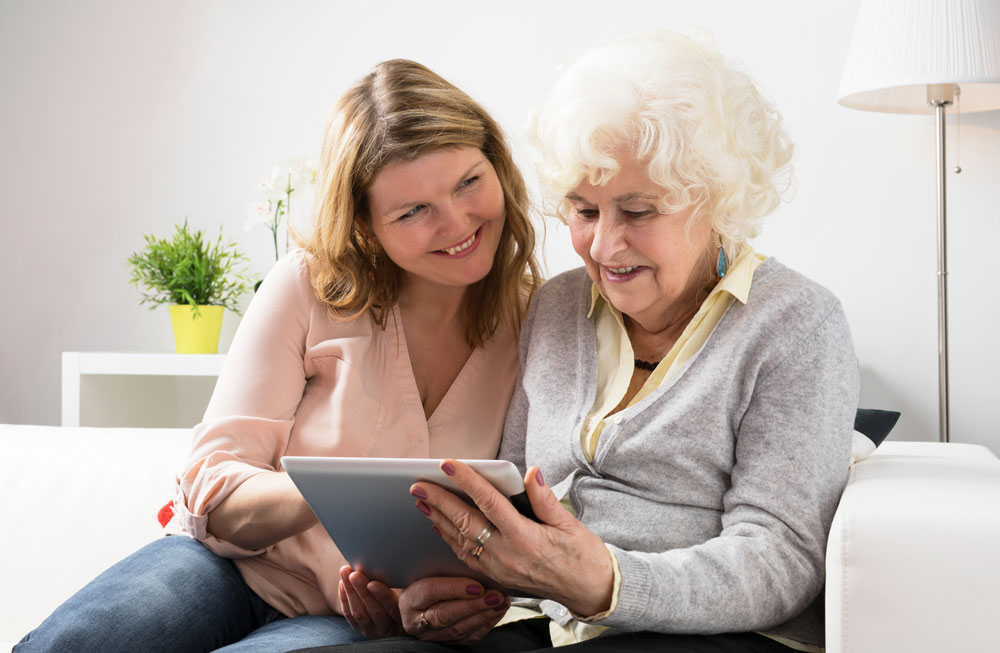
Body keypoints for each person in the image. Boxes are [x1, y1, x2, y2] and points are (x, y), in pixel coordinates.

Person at [324, 31, 859, 653]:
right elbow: (517, 502)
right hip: (541, 626)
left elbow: (781, 560)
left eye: (637, 212)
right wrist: (463, 595)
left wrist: (607, 582)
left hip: (712, 633)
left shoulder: (797, 324)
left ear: (716, 200)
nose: (603, 248)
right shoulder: (555, 306)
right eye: (584, 211)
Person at [15, 59, 540, 653]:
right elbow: (212, 487)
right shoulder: (308, 286)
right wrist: (339, 495)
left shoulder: (535, 326)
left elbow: (512, 527)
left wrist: (435, 603)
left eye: (469, 182)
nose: (456, 223)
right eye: (411, 211)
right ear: (366, 225)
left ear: (496, 163)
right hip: (223, 568)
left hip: (348, 619)